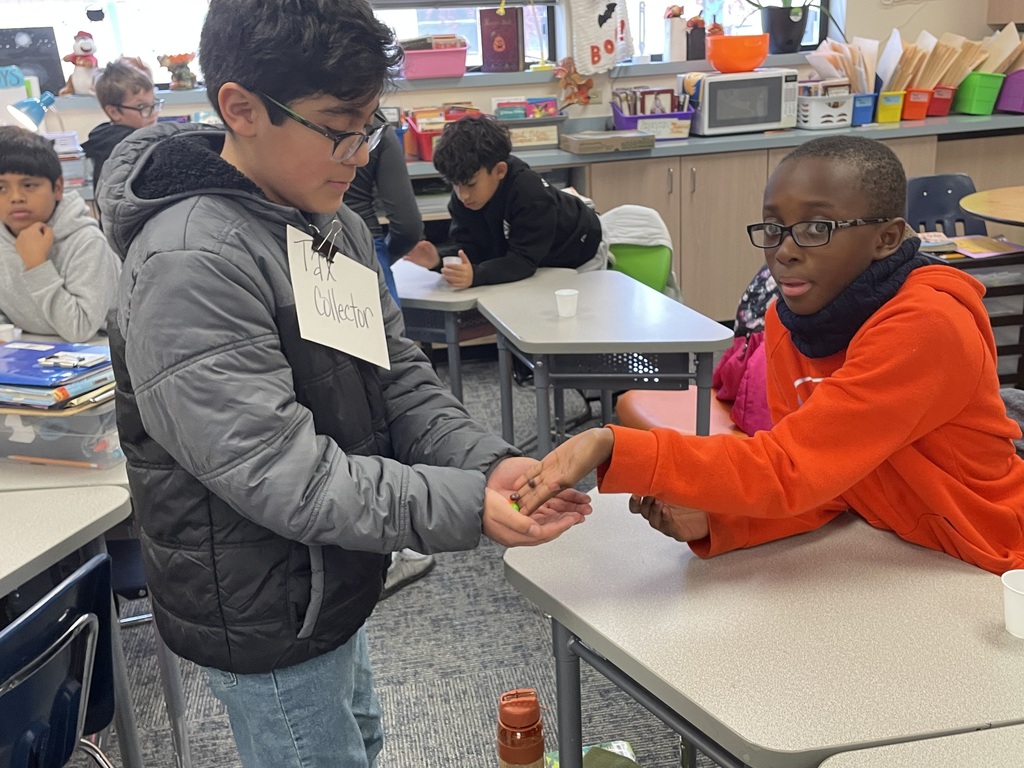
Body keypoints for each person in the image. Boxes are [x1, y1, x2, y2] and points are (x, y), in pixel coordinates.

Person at [97, 1, 590, 766]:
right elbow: (283, 474)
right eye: (338, 128)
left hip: (327, 576)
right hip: (261, 608)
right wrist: (468, 505)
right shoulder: (189, 263)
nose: (360, 155)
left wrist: (487, 464)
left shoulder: (329, 224)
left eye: (369, 127)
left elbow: (399, 382)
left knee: (357, 739)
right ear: (242, 108)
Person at [512, 135, 1024, 577]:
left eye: (817, 228)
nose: (784, 250)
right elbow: (828, 479)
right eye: (774, 228)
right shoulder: (787, 322)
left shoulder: (927, 325)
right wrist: (719, 519)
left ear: (886, 238)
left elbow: (790, 468)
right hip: (893, 548)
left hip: (988, 558)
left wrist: (614, 446)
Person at [404, 115, 607, 289]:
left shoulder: (531, 195)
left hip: (581, 246)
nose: (462, 195)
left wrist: (478, 275)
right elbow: (471, 248)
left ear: (500, 171)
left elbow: (523, 261)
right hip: (536, 256)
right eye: (455, 185)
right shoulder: (465, 198)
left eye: (471, 184)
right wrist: (438, 259)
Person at [0, 126, 118, 342]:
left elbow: (80, 329)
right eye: (1, 188)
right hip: (27, 352)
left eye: (29, 185)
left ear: (58, 188)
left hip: (98, 352)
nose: (16, 197)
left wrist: (36, 265)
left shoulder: (86, 241)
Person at [345, 122, 438, 305]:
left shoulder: (298, 123)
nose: (361, 157)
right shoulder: (379, 127)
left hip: (298, 243)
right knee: (384, 321)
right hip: (365, 245)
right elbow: (408, 227)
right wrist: (384, 258)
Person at [82, 58, 161, 189]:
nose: (153, 112)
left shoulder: (105, 137)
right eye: (142, 106)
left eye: (154, 104)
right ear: (114, 112)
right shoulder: (131, 146)